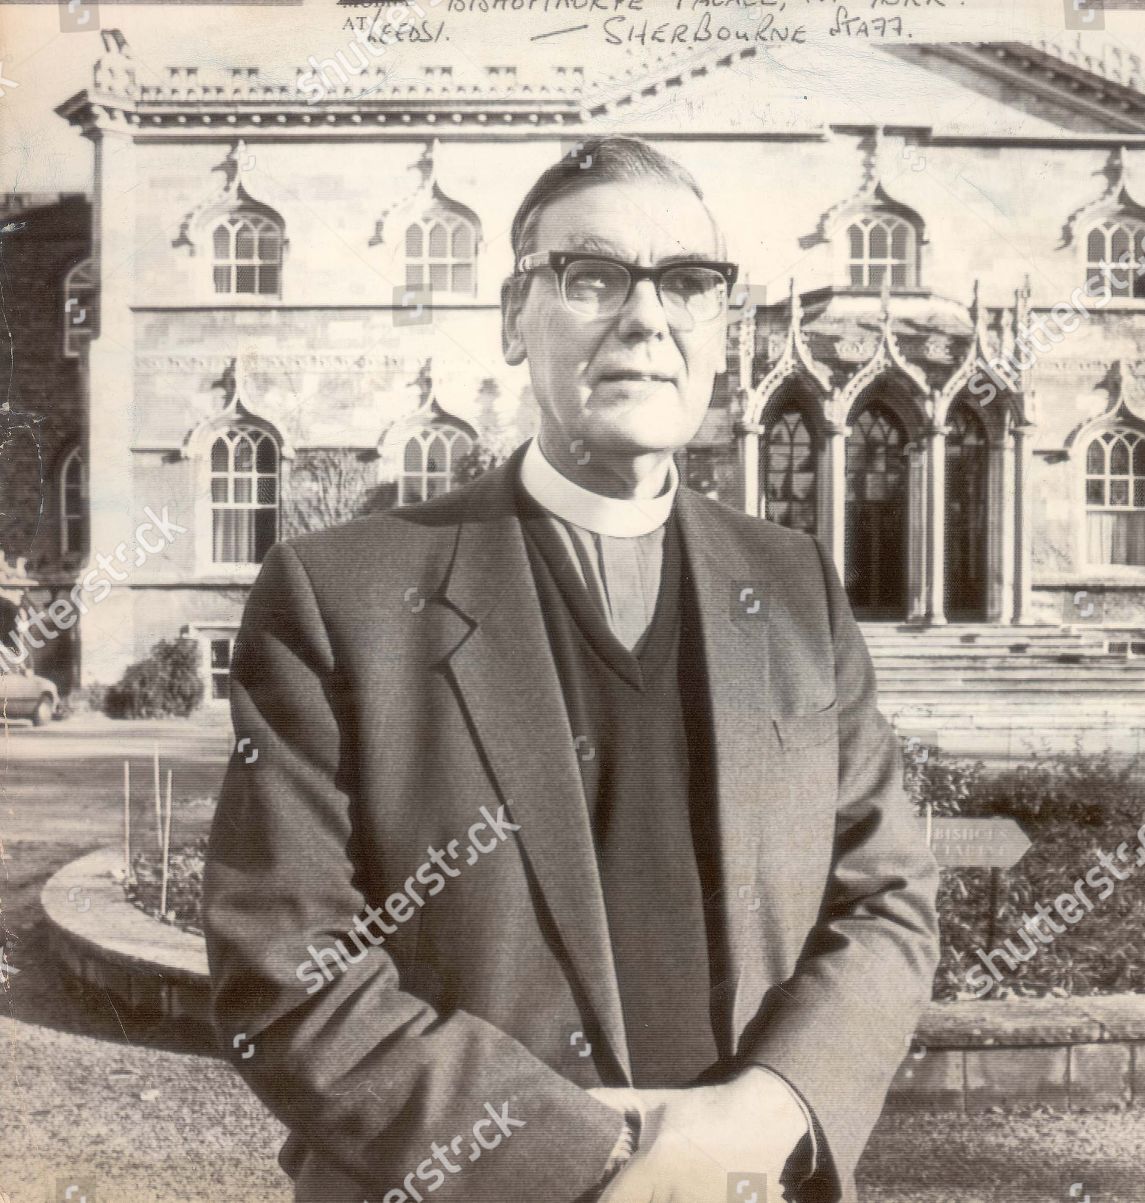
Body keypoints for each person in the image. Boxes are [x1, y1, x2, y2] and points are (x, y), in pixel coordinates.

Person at [204, 135, 939, 1203]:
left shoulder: (794, 585)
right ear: (514, 317)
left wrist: (764, 1111)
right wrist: (595, 1166)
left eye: (687, 283)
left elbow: (889, 899)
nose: (647, 318)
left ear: (721, 329)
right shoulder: (338, 592)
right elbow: (283, 967)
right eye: (591, 277)